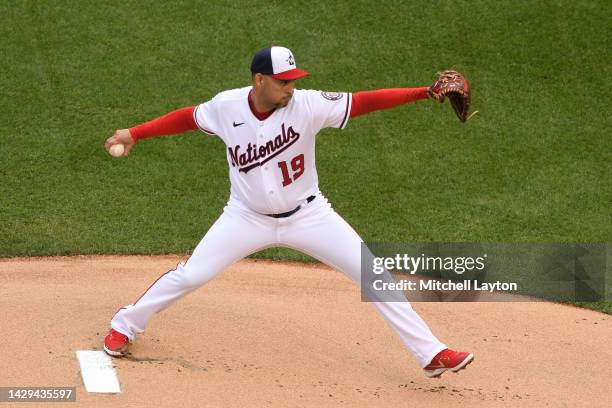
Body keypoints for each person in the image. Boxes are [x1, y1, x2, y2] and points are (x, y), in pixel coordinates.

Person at [103, 46, 473, 378]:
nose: (290, 89)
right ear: (259, 80)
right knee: (191, 275)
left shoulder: (307, 104)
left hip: (310, 216)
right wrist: (135, 133)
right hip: (245, 217)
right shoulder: (225, 106)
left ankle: (431, 353)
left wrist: (423, 93)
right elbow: (187, 117)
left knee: (373, 274)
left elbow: (363, 102)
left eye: (293, 81)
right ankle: (126, 324)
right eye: (283, 82)